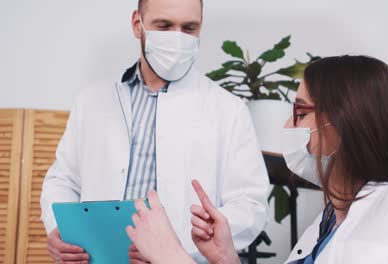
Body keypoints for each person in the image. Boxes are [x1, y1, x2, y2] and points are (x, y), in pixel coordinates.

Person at [126, 55, 388, 264]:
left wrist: (172, 256)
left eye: (299, 113)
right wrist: (226, 258)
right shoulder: (327, 226)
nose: (287, 127)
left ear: (343, 123)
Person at [40, 0, 269, 263]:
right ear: (138, 24)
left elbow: (250, 204)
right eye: (164, 26)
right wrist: (60, 229)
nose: (177, 38)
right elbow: (62, 180)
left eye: (189, 28)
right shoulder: (92, 100)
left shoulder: (229, 109)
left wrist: (175, 251)